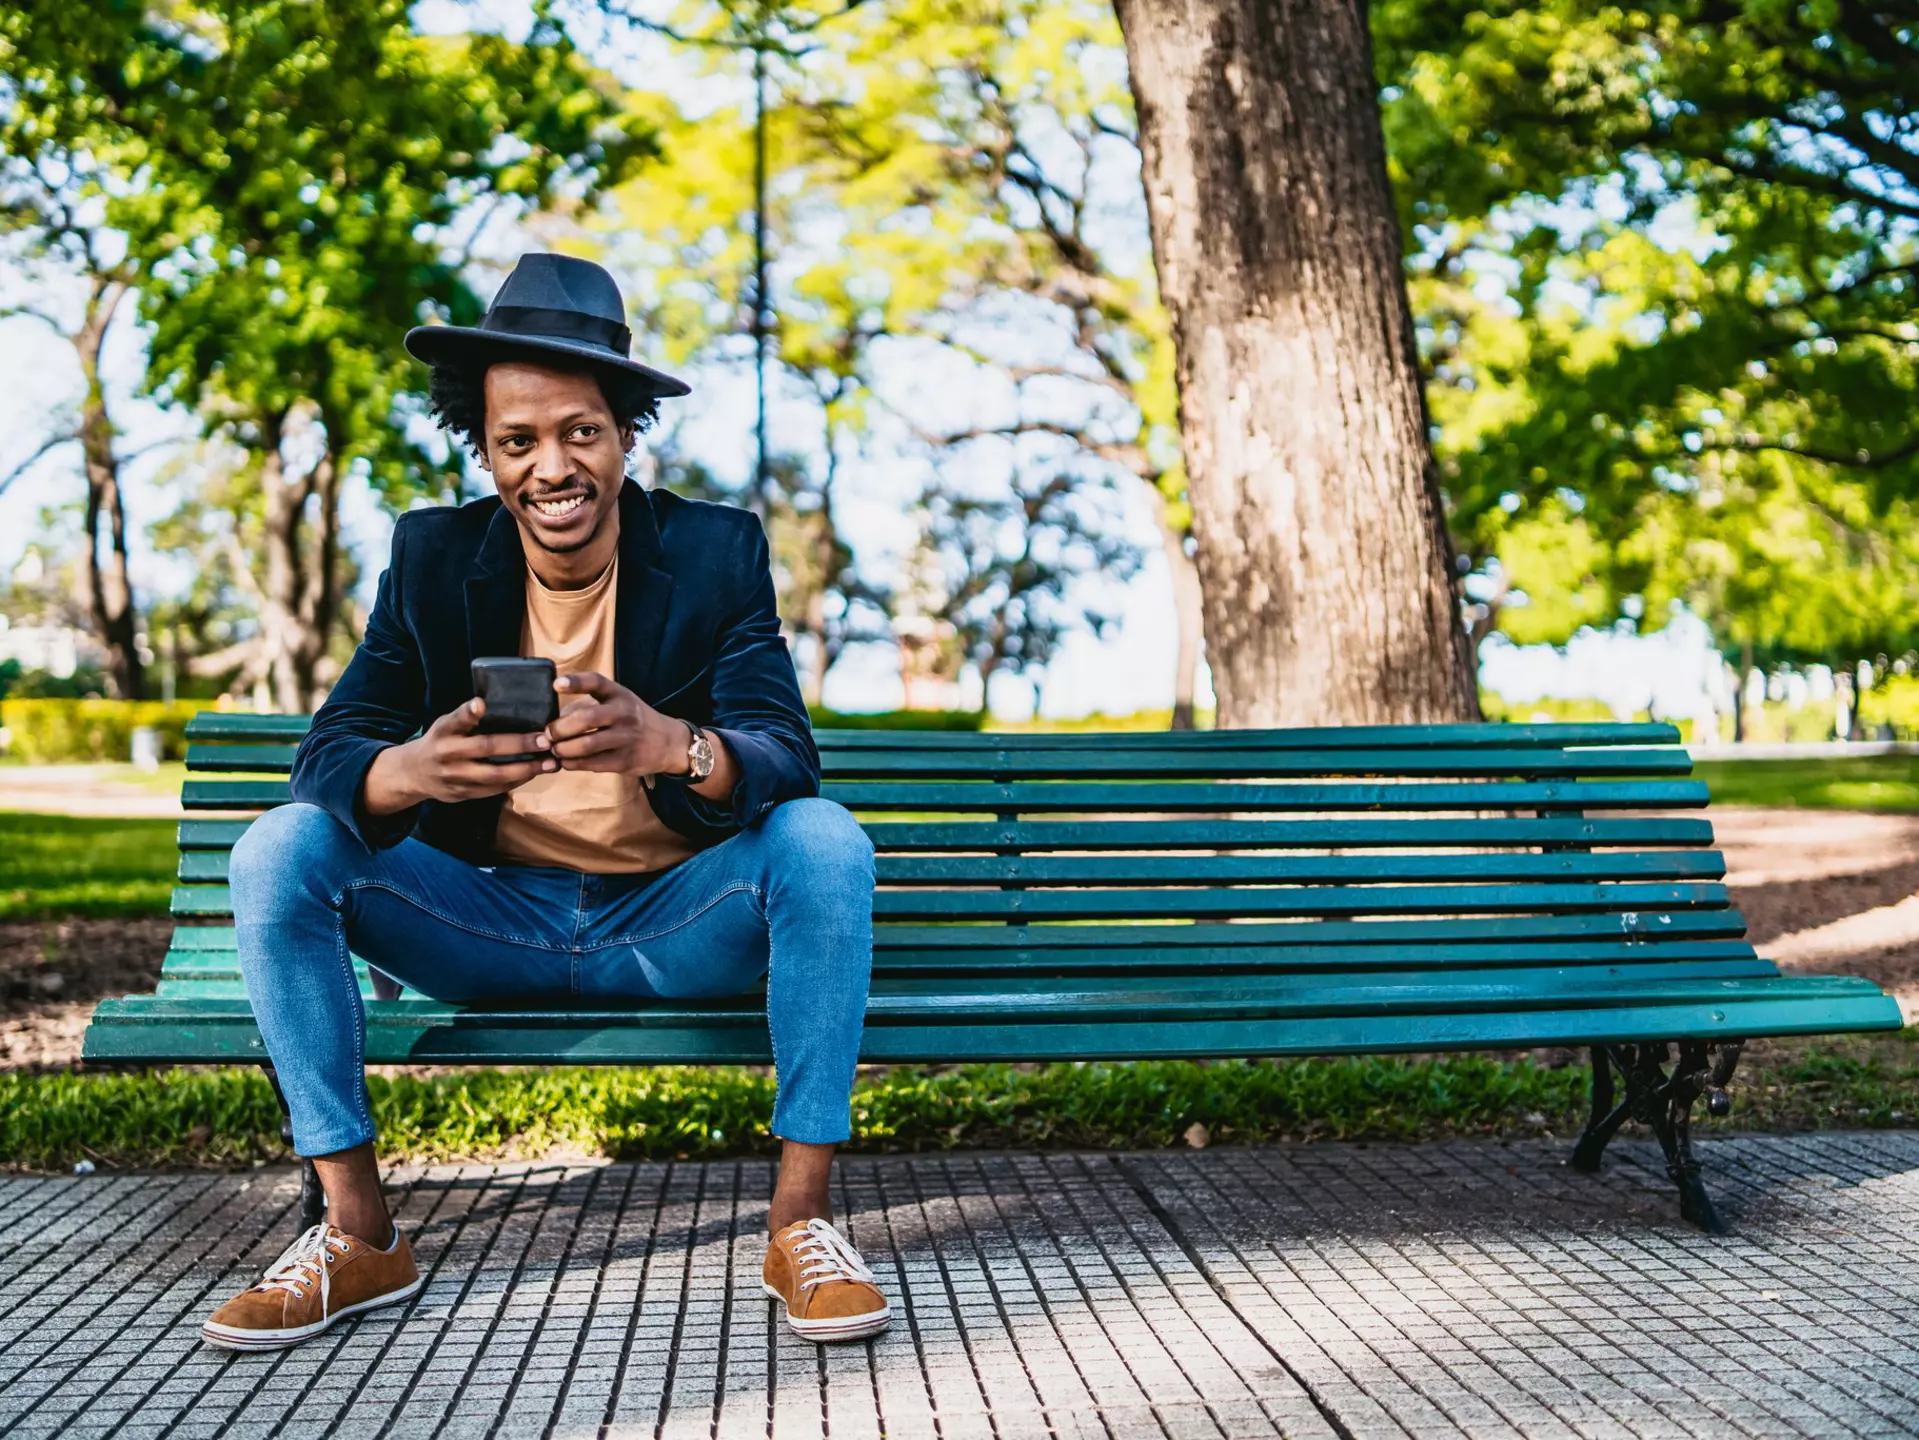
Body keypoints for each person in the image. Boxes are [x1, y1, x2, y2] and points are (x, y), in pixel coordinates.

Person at [201, 253, 888, 1352]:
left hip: (673, 923)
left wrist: (675, 744)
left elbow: (784, 755)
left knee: (821, 840)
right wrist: (408, 773)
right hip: (485, 918)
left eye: (579, 431)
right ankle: (359, 1232)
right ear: (486, 451)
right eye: (516, 442)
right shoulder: (431, 556)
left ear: (624, 432)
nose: (550, 466)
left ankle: (800, 1225)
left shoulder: (716, 552)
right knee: (279, 851)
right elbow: (328, 750)